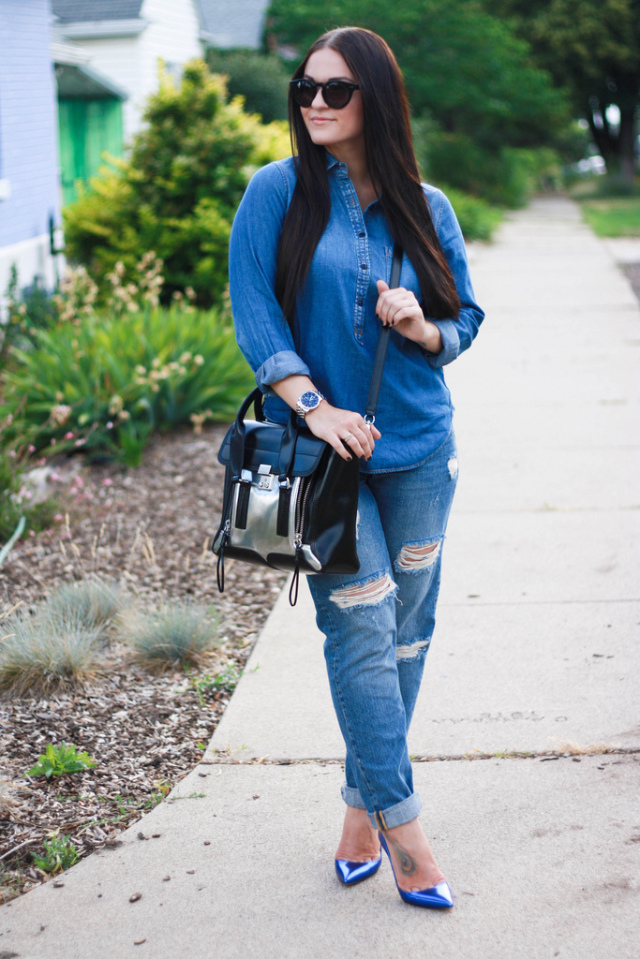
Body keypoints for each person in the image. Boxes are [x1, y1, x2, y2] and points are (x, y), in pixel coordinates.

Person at [228, 26, 484, 909]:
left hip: (419, 451)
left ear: (375, 97)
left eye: (336, 91)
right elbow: (256, 315)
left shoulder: (426, 202)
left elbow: (468, 319)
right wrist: (316, 407)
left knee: (407, 635)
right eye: (306, 89)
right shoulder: (276, 194)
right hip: (319, 461)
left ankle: (358, 809)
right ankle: (408, 834)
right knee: (362, 632)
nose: (316, 104)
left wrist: (423, 328)